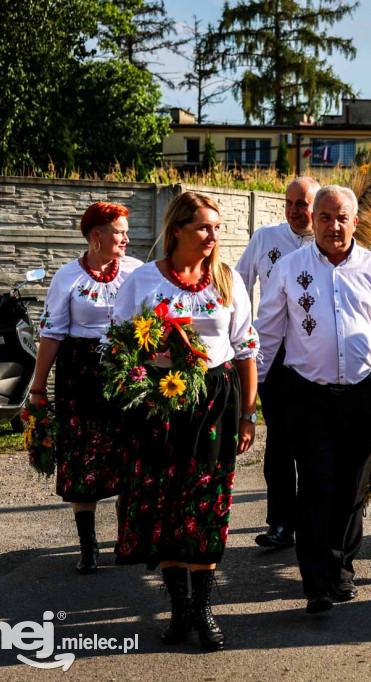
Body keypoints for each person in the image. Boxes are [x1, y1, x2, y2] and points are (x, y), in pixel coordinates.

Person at [114, 191, 259, 651]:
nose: (213, 236)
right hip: (161, 403)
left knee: (207, 503)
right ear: (176, 229)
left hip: (215, 402)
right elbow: (116, 344)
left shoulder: (227, 280)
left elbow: (246, 349)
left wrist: (248, 414)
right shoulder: (142, 281)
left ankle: (203, 609)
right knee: (167, 506)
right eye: (203, 227)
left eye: (216, 228)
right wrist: (143, 360)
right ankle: (178, 610)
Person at [255, 185, 371, 615]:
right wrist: (251, 394)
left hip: (362, 394)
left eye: (342, 218)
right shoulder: (289, 267)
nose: (333, 226)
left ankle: (341, 568)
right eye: (325, 217)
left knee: (351, 491)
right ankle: (316, 582)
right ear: (312, 220)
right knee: (316, 487)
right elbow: (267, 334)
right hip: (307, 396)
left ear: (356, 221)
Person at [29, 202, 143, 575]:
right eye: (119, 231)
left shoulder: (136, 272)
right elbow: (51, 333)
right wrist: (38, 387)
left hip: (127, 375)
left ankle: (127, 538)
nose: (126, 237)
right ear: (96, 236)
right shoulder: (67, 277)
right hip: (80, 377)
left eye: (126, 231)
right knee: (82, 458)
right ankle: (88, 545)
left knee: (130, 453)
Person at [235, 176, 320, 551]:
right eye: (289, 202)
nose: (293, 210)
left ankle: (318, 521)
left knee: (315, 442)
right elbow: (237, 286)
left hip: (317, 355)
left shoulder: (330, 243)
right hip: (271, 353)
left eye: (301, 203)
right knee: (280, 443)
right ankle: (281, 523)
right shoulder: (265, 239)